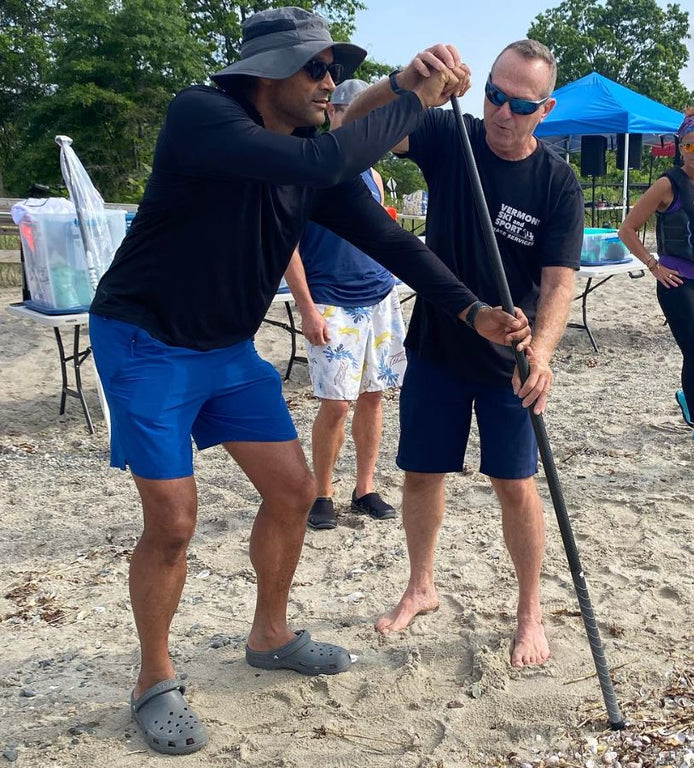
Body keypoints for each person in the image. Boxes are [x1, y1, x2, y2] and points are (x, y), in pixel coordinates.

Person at [87, 8, 529, 755]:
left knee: (294, 493)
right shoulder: (202, 115)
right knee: (174, 524)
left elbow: (388, 237)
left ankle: (269, 634)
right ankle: (153, 679)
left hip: (227, 348)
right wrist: (410, 96)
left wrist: (471, 310)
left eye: (336, 70)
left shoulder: (311, 154)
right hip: (146, 340)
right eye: (316, 69)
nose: (330, 82)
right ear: (265, 73)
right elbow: (322, 163)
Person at [345, 40, 582, 668]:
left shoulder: (557, 181)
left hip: (511, 357)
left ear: (546, 108)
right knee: (422, 472)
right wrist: (404, 82)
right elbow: (354, 125)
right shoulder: (454, 136)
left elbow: (560, 283)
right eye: (495, 96)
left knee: (515, 483)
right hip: (439, 344)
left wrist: (546, 353)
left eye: (521, 104)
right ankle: (421, 586)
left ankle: (529, 609)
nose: (503, 113)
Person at [284, 79, 405, 529]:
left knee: (374, 396)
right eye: (349, 114)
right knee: (336, 403)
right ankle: (323, 493)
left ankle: (364, 487)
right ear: (331, 113)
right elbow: (287, 246)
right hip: (332, 299)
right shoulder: (309, 168)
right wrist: (307, 307)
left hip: (378, 294)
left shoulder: (372, 174)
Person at [619, 106, 694, 446]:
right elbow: (627, 229)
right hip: (678, 282)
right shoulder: (666, 185)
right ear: (679, 146)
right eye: (689, 146)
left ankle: (689, 393)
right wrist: (654, 265)